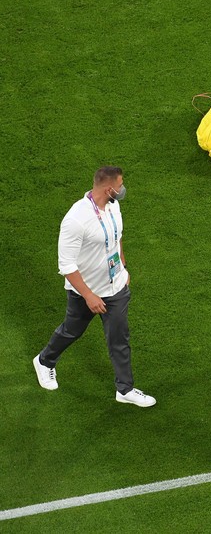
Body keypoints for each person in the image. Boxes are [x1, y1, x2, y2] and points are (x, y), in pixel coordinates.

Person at [33, 166, 156, 408]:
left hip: (116, 288)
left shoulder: (114, 206)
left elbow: (117, 236)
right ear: (108, 188)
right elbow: (66, 264)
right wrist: (89, 296)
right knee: (72, 330)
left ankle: (125, 389)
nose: (122, 190)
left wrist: (122, 266)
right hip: (85, 293)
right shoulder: (76, 220)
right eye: (119, 186)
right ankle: (45, 361)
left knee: (119, 339)